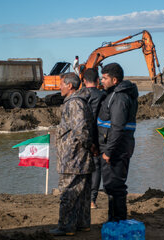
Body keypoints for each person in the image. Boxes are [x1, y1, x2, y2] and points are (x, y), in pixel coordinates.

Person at [50, 72, 95, 236]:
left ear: (70, 86)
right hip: (80, 157)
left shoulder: (74, 103)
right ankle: (82, 224)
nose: (59, 87)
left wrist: (89, 146)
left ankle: (66, 227)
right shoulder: (79, 102)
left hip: (73, 158)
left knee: (68, 192)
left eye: (62, 84)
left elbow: (81, 130)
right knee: (82, 193)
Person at [97, 63, 138, 222]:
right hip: (119, 147)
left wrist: (108, 151)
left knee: (115, 186)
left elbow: (117, 126)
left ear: (115, 80)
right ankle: (114, 219)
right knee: (112, 185)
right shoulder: (116, 94)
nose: (102, 80)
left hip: (117, 149)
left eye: (105, 78)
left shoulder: (119, 97)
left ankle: (118, 220)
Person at [80, 68, 106, 209]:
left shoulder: (78, 95)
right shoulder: (102, 95)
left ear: (84, 81)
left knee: (80, 168)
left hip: (81, 137)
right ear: (98, 80)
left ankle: (81, 197)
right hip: (97, 137)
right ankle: (91, 200)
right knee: (96, 168)